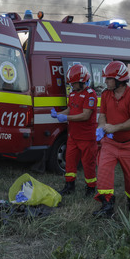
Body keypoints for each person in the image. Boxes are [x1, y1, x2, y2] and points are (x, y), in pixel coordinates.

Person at [94, 61, 130, 218]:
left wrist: (114, 128)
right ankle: (107, 205)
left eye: (109, 78)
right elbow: (102, 115)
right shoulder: (106, 94)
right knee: (103, 172)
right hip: (110, 143)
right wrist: (101, 127)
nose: (106, 81)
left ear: (119, 80)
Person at [51, 64, 98, 197]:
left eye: (74, 83)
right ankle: (69, 186)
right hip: (73, 136)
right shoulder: (72, 94)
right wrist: (59, 113)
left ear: (82, 82)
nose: (71, 86)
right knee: (70, 162)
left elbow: (85, 115)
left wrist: (65, 117)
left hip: (87, 137)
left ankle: (90, 188)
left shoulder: (90, 95)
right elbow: (70, 109)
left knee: (88, 164)